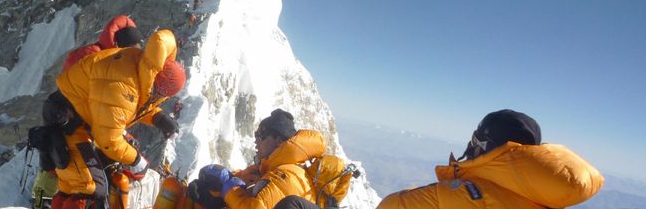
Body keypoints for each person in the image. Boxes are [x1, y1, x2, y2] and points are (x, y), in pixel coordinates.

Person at [46, 29, 187, 209]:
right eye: (160, 93)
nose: (158, 97)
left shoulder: (142, 67)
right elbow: (108, 139)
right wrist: (136, 160)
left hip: (79, 115)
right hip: (68, 120)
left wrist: (158, 117)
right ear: (158, 82)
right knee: (89, 187)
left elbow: (132, 106)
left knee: (71, 185)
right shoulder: (125, 84)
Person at [377, 109, 604, 209]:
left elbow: (391, 205)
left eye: (476, 140)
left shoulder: (450, 198)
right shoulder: (546, 199)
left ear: (486, 146)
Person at [188, 109, 331, 209]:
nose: (256, 141)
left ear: (279, 141)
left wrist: (226, 183)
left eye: (261, 136)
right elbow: (242, 182)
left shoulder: (286, 176)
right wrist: (216, 187)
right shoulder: (271, 168)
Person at [62, 15, 143, 71]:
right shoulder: (91, 55)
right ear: (118, 45)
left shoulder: (120, 61)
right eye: (131, 49)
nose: (134, 54)